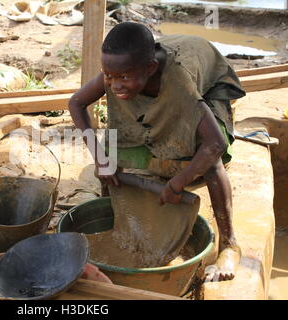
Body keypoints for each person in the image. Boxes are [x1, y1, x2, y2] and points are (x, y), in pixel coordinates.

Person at [68, 22, 246, 282]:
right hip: (152, 69)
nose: (114, 85)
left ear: (149, 68)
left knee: (208, 159)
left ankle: (230, 244)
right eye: (109, 77)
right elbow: (76, 102)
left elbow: (215, 143)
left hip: (206, 77)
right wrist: (101, 158)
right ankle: (114, 218)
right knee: (110, 152)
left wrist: (177, 184)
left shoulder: (179, 81)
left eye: (123, 78)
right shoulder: (120, 67)